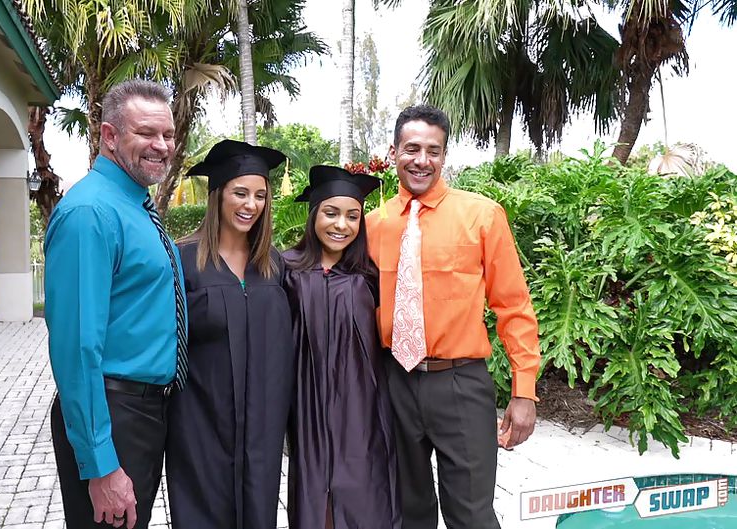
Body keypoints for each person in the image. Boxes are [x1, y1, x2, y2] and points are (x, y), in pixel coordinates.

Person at [366, 104, 541, 529]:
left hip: (460, 384)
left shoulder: (482, 216)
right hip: (394, 383)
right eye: (411, 149)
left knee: (472, 515)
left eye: (433, 150)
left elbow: (514, 307)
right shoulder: (373, 224)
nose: (421, 160)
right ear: (393, 153)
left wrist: (524, 391)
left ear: (444, 156)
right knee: (408, 513)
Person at [44, 79, 186, 529]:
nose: (161, 145)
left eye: (167, 134)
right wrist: (101, 464)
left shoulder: (135, 205)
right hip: (114, 413)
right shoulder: (90, 213)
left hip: (143, 414)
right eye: (146, 133)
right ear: (108, 136)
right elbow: (76, 348)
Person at [166, 139, 295, 529]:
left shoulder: (274, 264)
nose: (250, 204)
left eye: (259, 195)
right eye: (240, 193)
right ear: (218, 194)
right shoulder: (182, 259)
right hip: (199, 421)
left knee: (258, 511)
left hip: (262, 425)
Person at [282, 165, 401, 529]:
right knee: (315, 497)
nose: (341, 225)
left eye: (352, 216)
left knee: (364, 493)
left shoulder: (369, 275)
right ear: (314, 214)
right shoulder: (284, 271)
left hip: (362, 407)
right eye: (331, 213)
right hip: (308, 404)